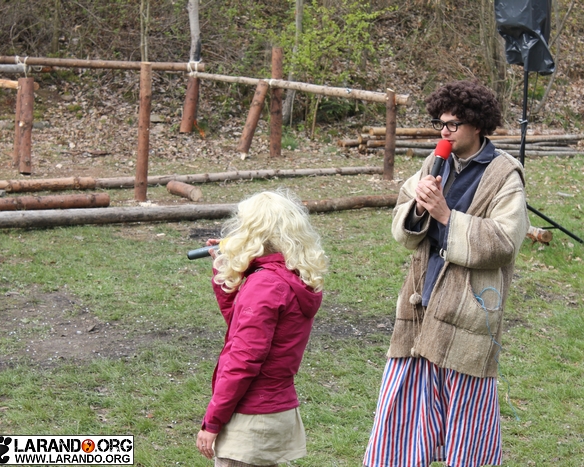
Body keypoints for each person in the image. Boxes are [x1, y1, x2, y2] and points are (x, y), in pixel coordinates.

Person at [363, 80, 530, 467]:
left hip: (467, 314)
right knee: (403, 413)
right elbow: (403, 223)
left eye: (453, 124)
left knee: (466, 425)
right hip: (420, 307)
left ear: (477, 124)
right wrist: (419, 209)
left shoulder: (504, 174)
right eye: (440, 123)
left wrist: (445, 216)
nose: (444, 131)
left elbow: (504, 242)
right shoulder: (434, 163)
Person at [196, 190, 327, 467]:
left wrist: (212, 421)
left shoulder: (264, 285)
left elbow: (242, 359)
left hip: (251, 417)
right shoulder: (290, 276)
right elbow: (240, 324)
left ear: (252, 233)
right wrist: (228, 269)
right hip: (274, 410)